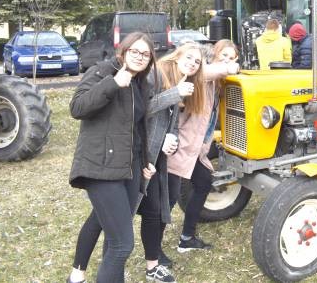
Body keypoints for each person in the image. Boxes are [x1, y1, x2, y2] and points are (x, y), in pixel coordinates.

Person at [67, 32, 177, 283]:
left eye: (146, 54)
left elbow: (138, 127)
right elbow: (77, 107)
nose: (140, 57)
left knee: (113, 238)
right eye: (135, 51)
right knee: (122, 245)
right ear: (123, 51)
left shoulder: (141, 84)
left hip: (128, 168)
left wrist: (146, 161)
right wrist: (113, 83)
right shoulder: (102, 71)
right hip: (100, 167)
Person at [135, 43, 205, 283]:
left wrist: (171, 136)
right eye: (190, 58)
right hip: (140, 154)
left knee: (159, 206)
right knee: (129, 209)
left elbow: (171, 118)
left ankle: (153, 259)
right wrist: (176, 92)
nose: (193, 63)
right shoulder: (158, 72)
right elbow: (144, 108)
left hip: (159, 155)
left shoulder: (180, 78)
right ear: (177, 55)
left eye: (197, 62)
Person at [166, 39, 240, 253]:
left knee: (204, 182)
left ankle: (187, 237)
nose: (227, 61)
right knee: (168, 199)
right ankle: (153, 251)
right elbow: (206, 71)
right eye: (223, 56)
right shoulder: (203, 75)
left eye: (231, 57)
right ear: (214, 57)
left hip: (197, 149)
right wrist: (228, 67)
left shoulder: (219, 85)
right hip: (180, 145)